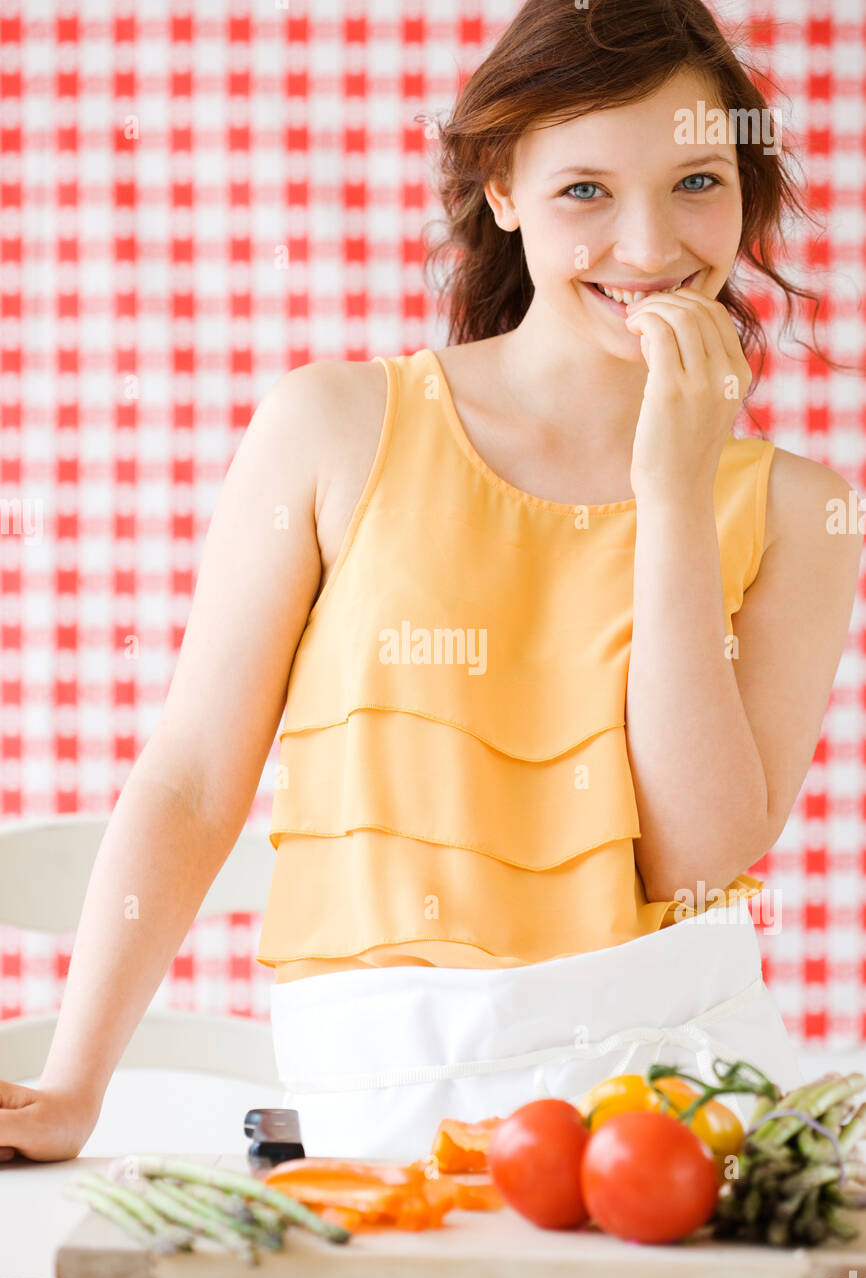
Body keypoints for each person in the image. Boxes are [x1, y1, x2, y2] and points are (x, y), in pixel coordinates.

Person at [1, 0, 861, 1165]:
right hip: (379, 1082)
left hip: (678, 1099)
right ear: (501, 192)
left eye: (697, 181)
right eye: (584, 191)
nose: (652, 246)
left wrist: (672, 495)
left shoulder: (799, 509)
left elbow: (696, 862)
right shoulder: (333, 425)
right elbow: (195, 783)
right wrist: (71, 1084)